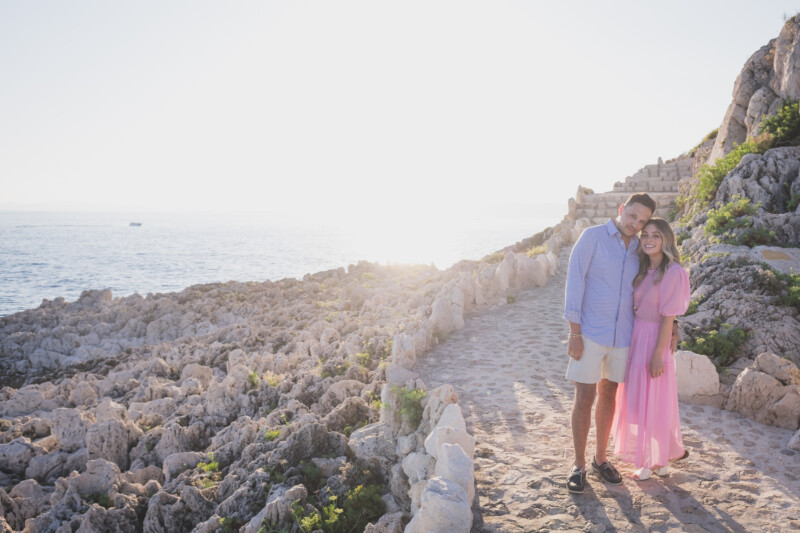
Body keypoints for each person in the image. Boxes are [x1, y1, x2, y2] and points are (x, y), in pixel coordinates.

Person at [563, 192, 656, 494]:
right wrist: (574, 332)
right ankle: (578, 466)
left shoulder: (640, 250)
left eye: (642, 221)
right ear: (621, 209)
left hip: (623, 336)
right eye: (632, 216)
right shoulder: (592, 238)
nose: (635, 224)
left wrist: (674, 321)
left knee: (609, 396)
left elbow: (654, 286)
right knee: (584, 398)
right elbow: (574, 283)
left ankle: (599, 460)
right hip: (589, 332)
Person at [610, 217, 691, 480]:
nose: (649, 239)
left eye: (656, 235)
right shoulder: (644, 269)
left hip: (656, 339)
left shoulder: (674, 271)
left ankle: (649, 461)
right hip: (637, 336)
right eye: (645, 235)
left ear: (666, 239)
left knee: (654, 399)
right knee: (640, 400)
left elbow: (668, 316)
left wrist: (658, 355)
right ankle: (659, 460)